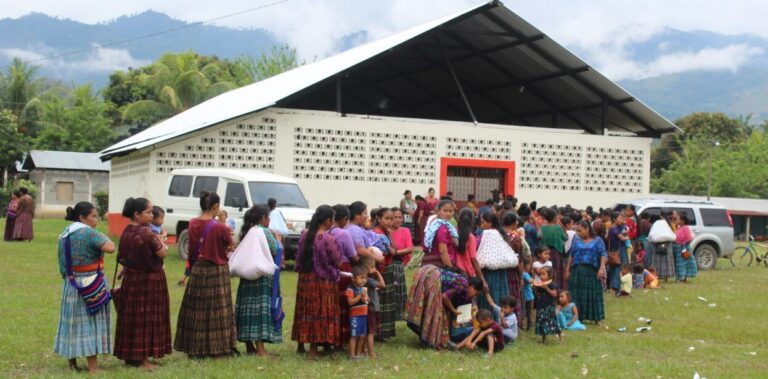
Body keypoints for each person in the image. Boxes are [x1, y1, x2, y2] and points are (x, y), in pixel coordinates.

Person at [53, 202, 116, 373]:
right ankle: (93, 367)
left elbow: (62, 262)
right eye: (93, 216)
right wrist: (103, 235)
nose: (96, 219)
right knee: (91, 323)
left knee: (72, 323)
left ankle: (72, 363)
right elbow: (110, 248)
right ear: (82, 217)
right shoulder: (89, 233)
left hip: (72, 284)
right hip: (91, 284)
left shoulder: (65, 233)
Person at [175, 191, 237, 359]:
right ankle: (219, 349)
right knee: (219, 310)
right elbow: (230, 246)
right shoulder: (220, 227)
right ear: (215, 206)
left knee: (197, 310)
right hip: (217, 270)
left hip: (198, 270)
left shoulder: (193, 223)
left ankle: (195, 348)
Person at [115, 197, 172, 369]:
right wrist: (162, 240)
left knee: (132, 319)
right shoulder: (147, 232)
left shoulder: (127, 230)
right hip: (149, 281)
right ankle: (143, 360)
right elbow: (162, 254)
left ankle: (131, 356)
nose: (151, 216)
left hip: (131, 280)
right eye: (148, 212)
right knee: (147, 319)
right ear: (137, 214)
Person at [291, 205, 342, 359]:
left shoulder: (305, 235)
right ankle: (314, 351)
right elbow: (336, 260)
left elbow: (298, 257)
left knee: (305, 310)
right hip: (322, 281)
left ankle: (301, 345)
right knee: (320, 312)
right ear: (327, 221)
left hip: (305, 279)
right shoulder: (327, 238)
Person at [235, 205, 282, 356]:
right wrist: (278, 240)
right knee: (259, 313)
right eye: (268, 217)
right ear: (263, 218)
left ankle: (250, 347)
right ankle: (261, 351)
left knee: (247, 310)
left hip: (246, 278)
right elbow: (275, 250)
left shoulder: (247, 231)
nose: (269, 220)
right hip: (261, 278)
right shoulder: (265, 232)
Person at [404, 267, 483, 349]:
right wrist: (453, 310)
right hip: (432, 277)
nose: (474, 296)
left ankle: (426, 338)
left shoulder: (465, 291)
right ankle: (427, 338)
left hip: (428, 275)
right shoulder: (463, 284)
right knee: (435, 313)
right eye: (476, 293)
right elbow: (444, 297)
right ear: (472, 286)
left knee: (434, 314)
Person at [565, 220, 607, 324]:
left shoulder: (598, 240)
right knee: (577, 294)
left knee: (593, 294)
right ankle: (578, 317)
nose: (578, 233)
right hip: (577, 270)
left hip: (592, 271)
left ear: (587, 228)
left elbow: (603, 254)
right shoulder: (576, 239)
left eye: (580, 231)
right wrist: (567, 270)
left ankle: (596, 318)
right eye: (577, 231)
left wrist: (602, 268)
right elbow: (571, 255)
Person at [329, 204, 358, 350]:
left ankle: (329, 339)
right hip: (343, 270)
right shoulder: (343, 234)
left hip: (326, 271)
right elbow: (353, 256)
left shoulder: (323, 231)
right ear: (345, 219)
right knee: (343, 305)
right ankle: (341, 340)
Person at [475, 212, 511, 315]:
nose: (481, 225)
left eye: (483, 222)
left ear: (489, 223)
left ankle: (488, 317)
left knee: (489, 293)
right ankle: (501, 317)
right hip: (501, 271)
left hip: (488, 272)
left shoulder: (487, 235)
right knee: (499, 294)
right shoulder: (501, 234)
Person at [372, 207, 398, 340]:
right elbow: (392, 252)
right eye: (387, 219)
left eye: (391, 219)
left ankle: (385, 331)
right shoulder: (377, 233)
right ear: (378, 219)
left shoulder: (386, 233)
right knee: (381, 300)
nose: (390, 221)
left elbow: (395, 249)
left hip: (387, 268)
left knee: (387, 300)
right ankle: (379, 331)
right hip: (381, 269)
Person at [388, 208, 412, 318]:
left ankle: (400, 313)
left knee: (400, 288)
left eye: (400, 217)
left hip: (399, 262)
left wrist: (396, 252)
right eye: (394, 217)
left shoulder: (405, 230)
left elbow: (409, 248)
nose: (398, 220)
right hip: (388, 262)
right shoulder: (386, 232)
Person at [422, 200, 459, 268]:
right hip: (442, 264)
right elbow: (443, 251)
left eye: (450, 211)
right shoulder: (442, 228)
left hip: (433, 262)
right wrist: (450, 267)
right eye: (445, 211)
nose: (448, 213)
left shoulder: (436, 224)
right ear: (438, 211)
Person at [540, 207, 567, 290]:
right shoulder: (557, 228)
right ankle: (556, 289)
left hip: (543, 252)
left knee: (545, 270)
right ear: (555, 217)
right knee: (556, 272)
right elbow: (565, 237)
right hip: (555, 253)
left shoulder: (542, 227)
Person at [455, 208, 485, 283]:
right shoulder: (471, 237)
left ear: (458, 219)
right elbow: (473, 258)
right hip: (467, 272)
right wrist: (482, 279)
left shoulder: (453, 233)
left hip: (453, 268)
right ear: (472, 221)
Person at [363, 257, 385, 358]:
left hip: (369, 308)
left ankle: (365, 351)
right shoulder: (369, 280)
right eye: (372, 267)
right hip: (372, 308)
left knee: (368, 331)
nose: (374, 269)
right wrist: (377, 273)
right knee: (370, 332)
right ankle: (371, 353)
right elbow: (383, 285)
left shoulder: (365, 280)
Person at [346, 264, 369, 359]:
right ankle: (352, 355)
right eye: (361, 278)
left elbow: (368, 301)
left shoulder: (363, 289)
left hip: (364, 315)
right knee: (354, 335)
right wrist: (360, 296)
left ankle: (358, 354)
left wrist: (366, 298)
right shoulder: (350, 288)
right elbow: (350, 302)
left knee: (362, 336)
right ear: (353, 279)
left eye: (365, 278)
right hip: (355, 316)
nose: (364, 280)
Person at [533, 266, 561, 343]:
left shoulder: (553, 284)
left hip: (549, 306)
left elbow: (554, 294)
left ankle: (560, 336)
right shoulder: (540, 284)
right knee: (542, 322)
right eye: (540, 274)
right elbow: (538, 294)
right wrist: (534, 287)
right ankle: (543, 339)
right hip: (541, 306)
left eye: (544, 274)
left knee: (553, 322)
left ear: (550, 275)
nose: (541, 276)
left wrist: (546, 288)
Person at [647, 212, 675, 280]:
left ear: (660, 216)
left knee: (657, 262)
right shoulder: (668, 224)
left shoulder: (657, 223)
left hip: (656, 245)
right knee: (667, 262)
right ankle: (666, 277)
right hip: (667, 245)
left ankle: (657, 275)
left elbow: (651, 235)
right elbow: (672, 236)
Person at [607, 213, 629, 293]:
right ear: (614, 219)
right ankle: (615, 286)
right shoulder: (614, 228)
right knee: (618, 267)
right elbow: (622, 238)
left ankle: (612, 286)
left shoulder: (614, 227)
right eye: (619, 218)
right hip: (618, 250)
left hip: (613, 250)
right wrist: (626, 237)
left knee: (613, 267)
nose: (621, 220)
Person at [673, 213, 697, 282]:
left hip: (684, 249)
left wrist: (683, 245)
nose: (676, 220)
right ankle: (681, 277)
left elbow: (689, 238)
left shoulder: (685, 228)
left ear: (682, 221)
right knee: (680, 264)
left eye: (678, 219)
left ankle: (682, 278)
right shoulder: (679, 228)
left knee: (683, 264)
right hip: (679, 249)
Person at [521, 258, 535, 330]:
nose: (530, 266)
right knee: (529, 312)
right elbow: (530, 281)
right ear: (525, 265)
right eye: (529, 265)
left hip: (525, 296)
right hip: (529, 297)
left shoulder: (522, 274)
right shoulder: (525, 274)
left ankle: (526, 325)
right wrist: (533, 279)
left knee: (525, 312)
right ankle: (529, 326)